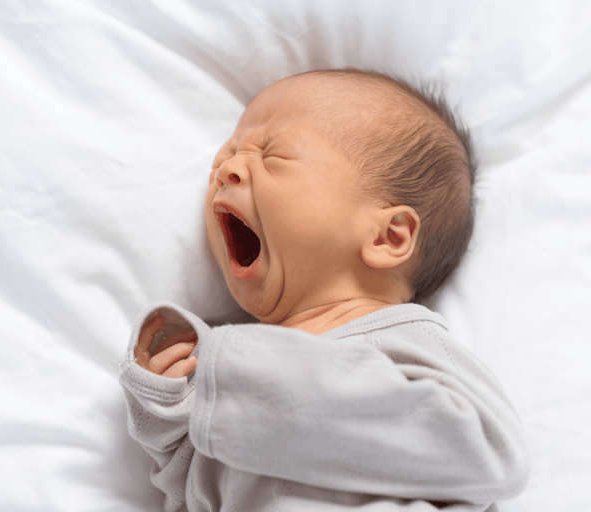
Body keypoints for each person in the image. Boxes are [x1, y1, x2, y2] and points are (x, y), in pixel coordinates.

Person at [119, 69, 530, 511]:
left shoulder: (409, 347)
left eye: (271, 156)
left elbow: (492, 455)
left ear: (387, 237)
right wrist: (172, 415)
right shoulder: (235, 371)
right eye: (227, 156)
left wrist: (245, 382)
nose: (226, 170)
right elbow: (194, 494)